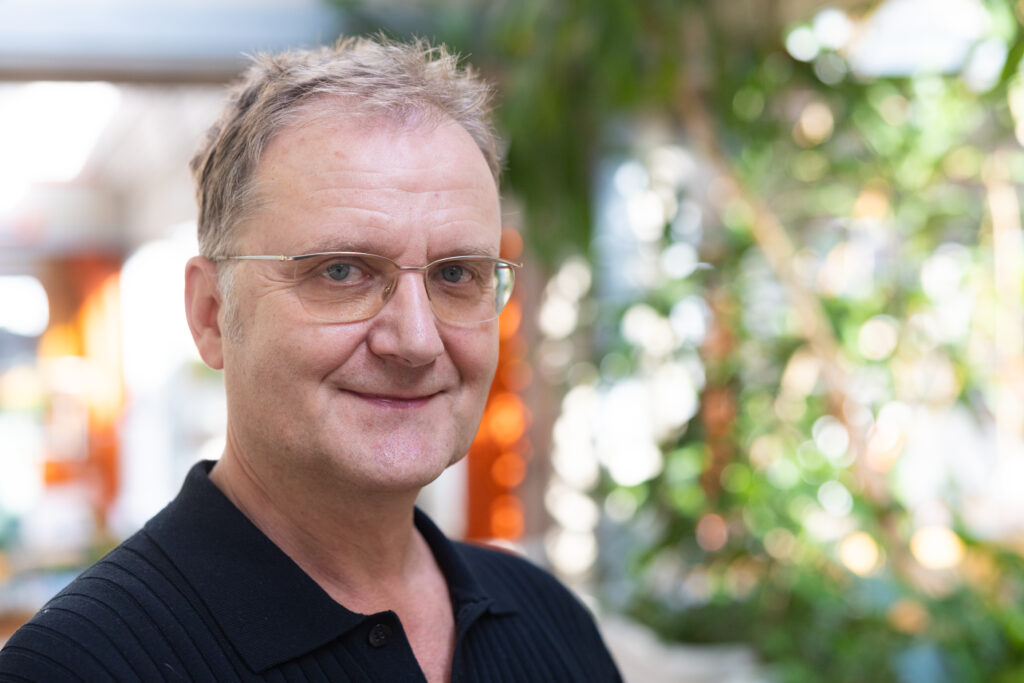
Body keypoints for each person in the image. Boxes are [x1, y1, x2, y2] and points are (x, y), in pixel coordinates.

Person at [0, 36, 621, 682]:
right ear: (211, 313)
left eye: (456, 274)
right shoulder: (78, 665)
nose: (415, 340)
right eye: (343, 270)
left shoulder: (551, 623)